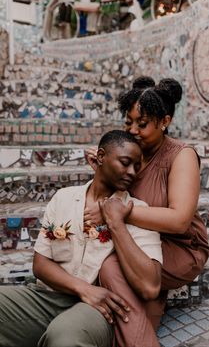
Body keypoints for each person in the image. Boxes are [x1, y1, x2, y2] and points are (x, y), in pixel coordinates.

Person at [0, 129, 163, 347]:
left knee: (65, 338)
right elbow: (40, 264)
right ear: (102, 157)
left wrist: (116, 223)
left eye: (136, 166)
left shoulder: (138, 211)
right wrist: (84, 289)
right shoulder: (64, 198)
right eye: (125, 162)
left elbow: (150, 287)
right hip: (48, 297)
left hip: (97, 310)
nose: (132, 172)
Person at [85, 76, 209, 347]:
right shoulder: (130, 152)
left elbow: (179, 221)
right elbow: (117, 196)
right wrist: (102, 172)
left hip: (179, 247)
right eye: (128, 122)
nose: (132, 130)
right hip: (140, 242)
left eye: (142, 124)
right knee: (140, 302)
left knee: (110, 267)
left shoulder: (181, 155)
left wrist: (119, 214)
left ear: (164, 122)